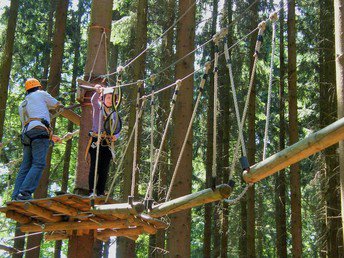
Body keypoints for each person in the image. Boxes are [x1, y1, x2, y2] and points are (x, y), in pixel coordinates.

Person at [12, 78, 62, 201]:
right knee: (38, 164)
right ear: (38, 87)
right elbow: (57, 105)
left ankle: (15, 195)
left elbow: (32, 122)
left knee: (25, 166)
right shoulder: (41, 94)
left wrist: (50, 136)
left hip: (27, 134)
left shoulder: (22, 104)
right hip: (39, 132)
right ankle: (24, 193)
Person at [87, 84, 121, 197]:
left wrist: (116, 136)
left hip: (107, 143)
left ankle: (100, 192)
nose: (110, 101)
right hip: (97, 139)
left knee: (104, 168)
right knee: (94, 166)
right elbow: (93, 100)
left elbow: (118, 128)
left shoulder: (114, 114)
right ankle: (92, 191)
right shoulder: (98, 108)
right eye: (107, 98)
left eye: (112, 99)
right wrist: (98, 91)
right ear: (103, 98)